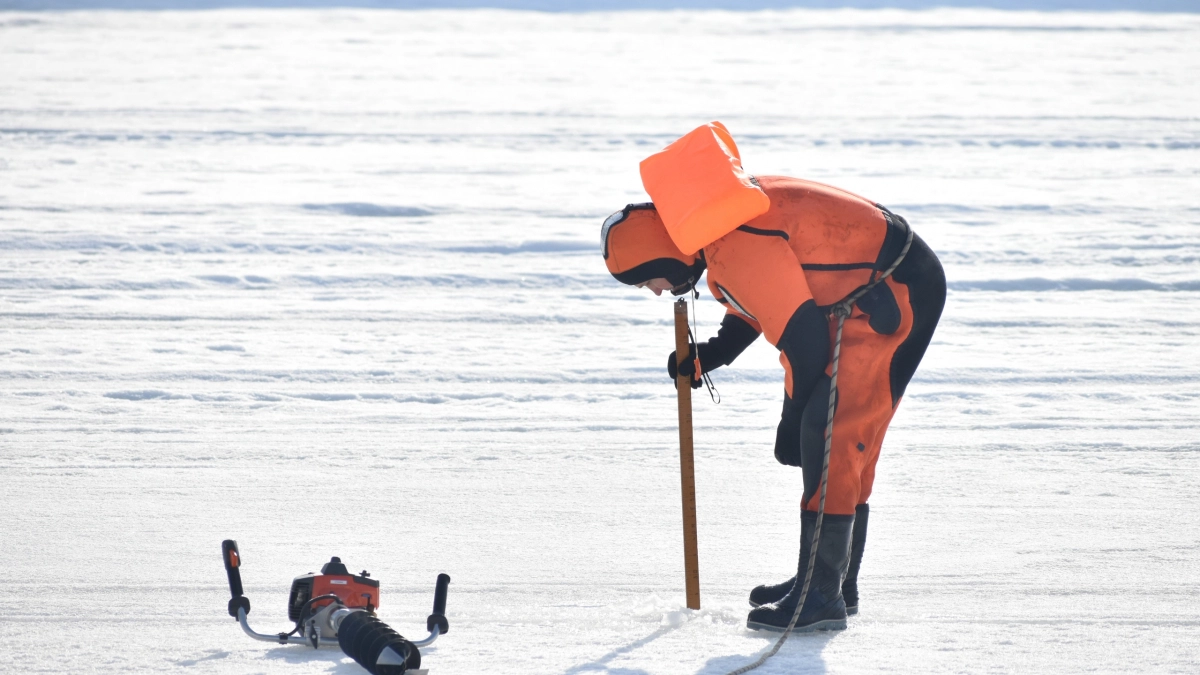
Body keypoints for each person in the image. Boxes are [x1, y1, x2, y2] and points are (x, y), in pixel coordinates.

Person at [601, 175, 946, 632]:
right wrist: (716, 352)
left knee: (832, 434)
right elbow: (766, 292)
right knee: (832, 433)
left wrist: (792, 420)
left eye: (647, 279)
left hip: (892, 296)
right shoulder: (721, 228)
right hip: (871, 290)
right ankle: (830, 583)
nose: (657, 291)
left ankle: (821, 595)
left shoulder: (733, 241)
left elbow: (806, 346)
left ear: (663, 254)